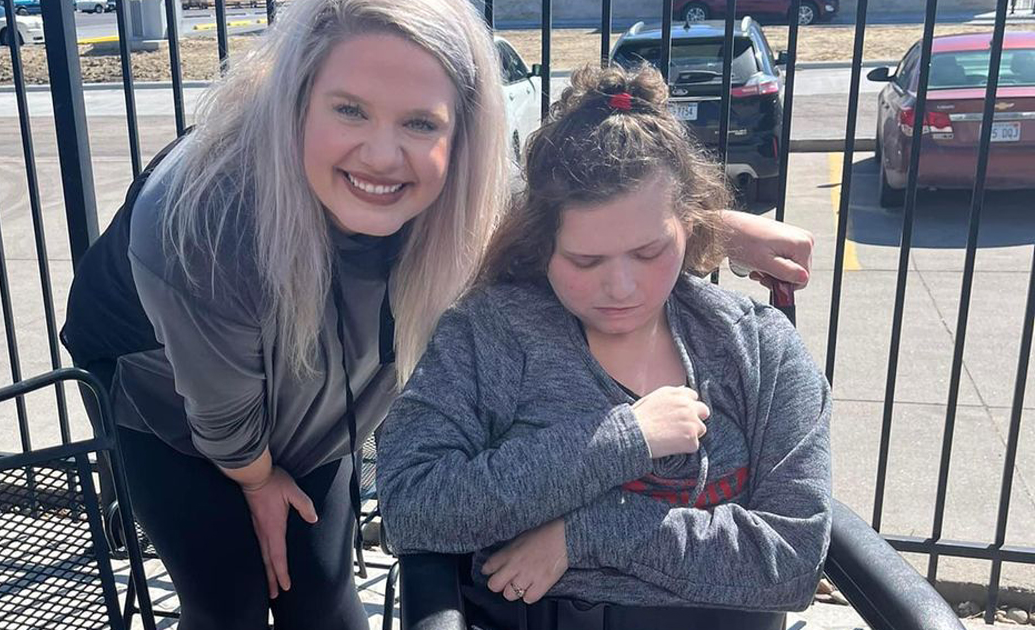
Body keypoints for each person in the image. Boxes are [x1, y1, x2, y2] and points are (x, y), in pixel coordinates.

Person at [59, 0, 819, 625]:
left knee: (317, 592)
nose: (384, 155)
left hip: (312, 379)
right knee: (226, 596)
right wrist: (256, 480)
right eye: (350, 109)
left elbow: (548, 218)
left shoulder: (743, 339)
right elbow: (230, 415)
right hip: (173, 391)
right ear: (298, 99)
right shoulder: (204, 222)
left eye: (420, 123)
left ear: (460, 133)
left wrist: (713, 228)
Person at [376, 63, 832, 630]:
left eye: (648, 253)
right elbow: (412, 506)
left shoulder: (760, 348)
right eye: (584, 260)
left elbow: (790, 564)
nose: (621, 288)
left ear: (691, 226)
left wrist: (587, 533)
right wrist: (626, 439)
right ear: (543, 244)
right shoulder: (491, 333)